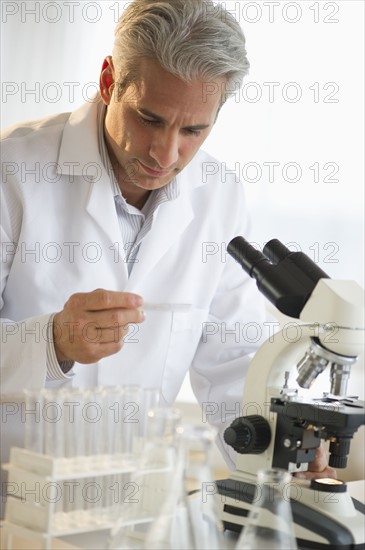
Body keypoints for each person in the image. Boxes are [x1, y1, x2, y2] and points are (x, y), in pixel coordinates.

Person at [1, 0, 335, 504]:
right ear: (109, 80)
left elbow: (232, 360)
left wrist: (281, 446)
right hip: (14, 500)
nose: (165, 152)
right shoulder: (13, 170)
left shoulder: (219, 194)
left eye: (193, 130)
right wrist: (52, 341)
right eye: (148, 118)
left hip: (135, 504)